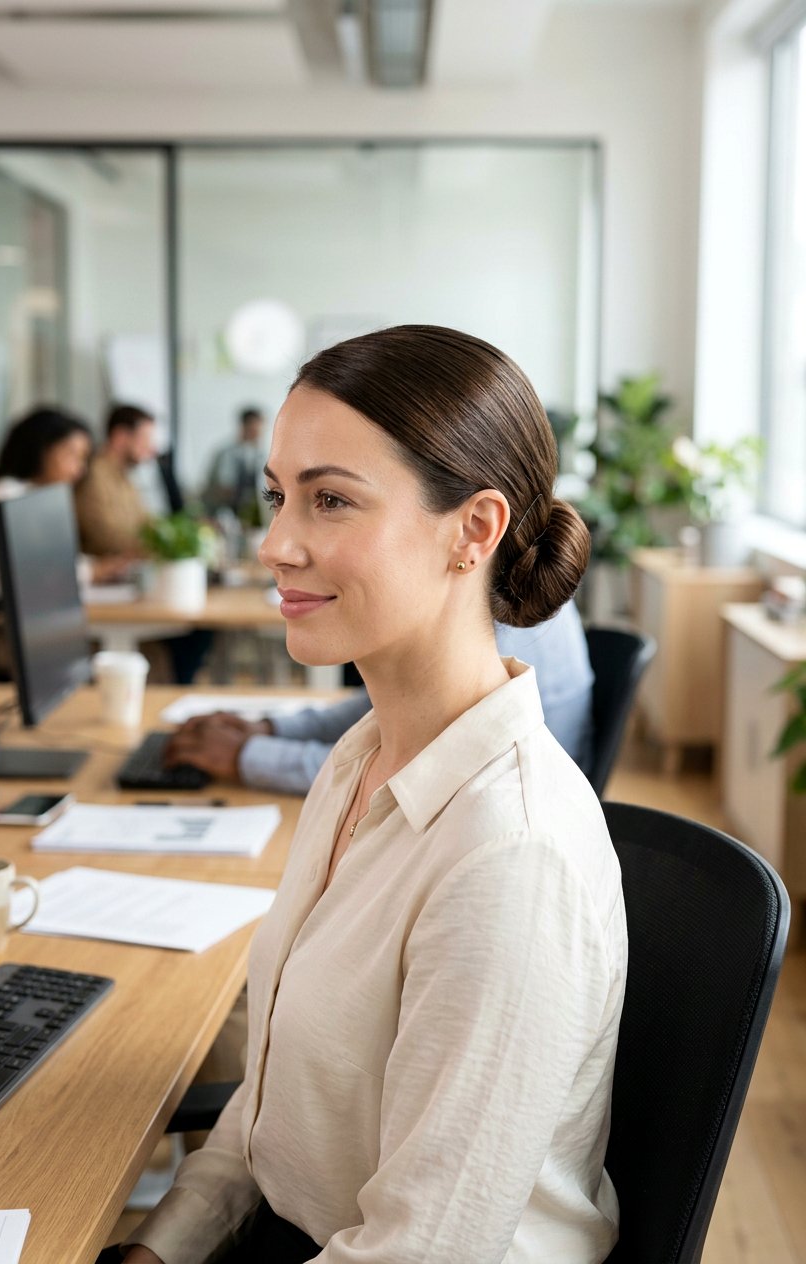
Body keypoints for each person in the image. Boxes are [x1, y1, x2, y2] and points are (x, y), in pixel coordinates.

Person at [119, 325, 627, 1264]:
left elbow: (422, 1249)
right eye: (279, 496)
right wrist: (160, 1247)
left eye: (331, 501)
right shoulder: (361, 760)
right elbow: (272, 1100)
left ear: (474, 531)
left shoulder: (509, 855)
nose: (276, 544)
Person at [165, 599, 594, 793]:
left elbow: (404, 768)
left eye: (334, 502)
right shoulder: (488, 591)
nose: (273, 550)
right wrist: (271, 730)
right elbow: (386, 711)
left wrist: (249, 755)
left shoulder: (497, 626)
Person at [0, 406, 124, 602]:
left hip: (34, 605)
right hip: (1, 612)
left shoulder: (40, 495)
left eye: (83, 459)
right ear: (41, 449)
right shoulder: (5, 494)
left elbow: (51, 562)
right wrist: (92, 571)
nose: (80, 469)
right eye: (72, 455)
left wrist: (95, 568)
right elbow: (33, 571)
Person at [74, 402, 158, 558]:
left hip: (130, 565)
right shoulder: (93, 474)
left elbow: (145, 522)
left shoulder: (124, 474)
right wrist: (161, 545)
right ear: (120, 437)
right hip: (106, 568)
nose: (153, 449)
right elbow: (106, 539)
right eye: (145, 438)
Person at [202, 406, 267, 518]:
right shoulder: (227, 453)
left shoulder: (260, 454)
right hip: (223, 511)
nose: (258, 432)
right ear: (244, 426)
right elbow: (225, 487)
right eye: (255, 427)